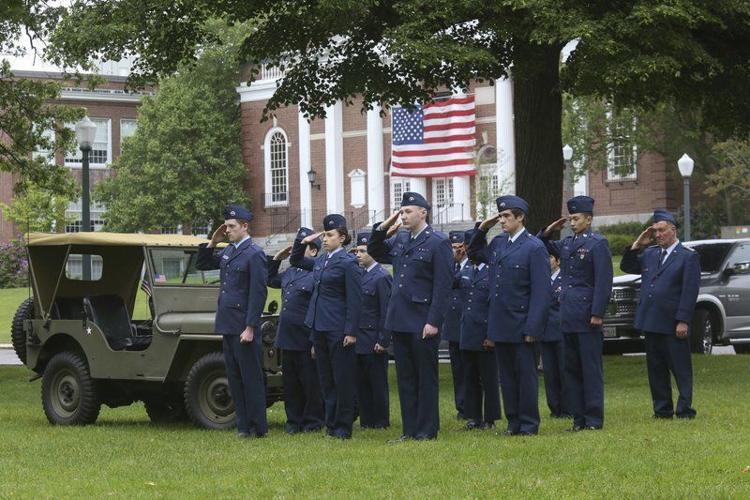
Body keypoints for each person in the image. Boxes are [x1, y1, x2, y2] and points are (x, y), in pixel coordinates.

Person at [367, 192, 453, 441]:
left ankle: (427, 430)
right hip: (401, 318)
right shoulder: (402, 240)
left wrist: (434, 321)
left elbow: (443, 286)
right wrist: (383, 227)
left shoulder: (438, 242)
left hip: (422, 320)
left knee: (425, 377)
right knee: (406, 378)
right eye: (401, 212)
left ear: (423, 213)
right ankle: (410, 429)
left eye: (407, 212)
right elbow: (375, 250)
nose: (403, 216)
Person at [467, 195, 550, 436]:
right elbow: (474, 251)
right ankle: (513, 422)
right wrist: (483, 229)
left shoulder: (534, 247)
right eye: (500, 216)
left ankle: (528, 423)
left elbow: (541, 292)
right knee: (507, 378)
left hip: (522, 323)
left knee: (525, 377)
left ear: (520, 217)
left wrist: (533, 328)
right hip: (501, 323)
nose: (501, 220)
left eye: (506, 216)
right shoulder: (499, 244)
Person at [539, 195, 613, 432]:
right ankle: (578, 417)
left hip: (587, 315)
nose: (572, 223)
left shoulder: (597, 244)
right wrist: (548, 231)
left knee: (590, 369)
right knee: (571, 370)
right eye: (570, 218)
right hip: (568, 315)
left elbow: (603, 281)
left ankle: (593, 418)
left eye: (576, 218)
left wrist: (597, 313)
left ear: (589, 219)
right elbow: (543, 244)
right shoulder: (568, 244)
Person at [196, 205, 268, 438]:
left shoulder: (254, 253)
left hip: (243, 326)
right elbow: (203, 264)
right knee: (234, 378)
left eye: (231, 226)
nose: (227, 230)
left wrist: (250, 327)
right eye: (226, 226)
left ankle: (258, 428)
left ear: (245, 226)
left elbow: (258, 294)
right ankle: (243, 426)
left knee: (251, 379)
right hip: (228, 324)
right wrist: (213, 242)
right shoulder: (229, 251)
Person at [621, 209, 700, 419]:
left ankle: (684, 409)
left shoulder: (687, 257)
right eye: (655, 231)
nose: (658, 235)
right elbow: (627, 266)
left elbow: (689, 292)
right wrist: (637, 245)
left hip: (673, 322)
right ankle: (662, 409)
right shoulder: (650, 254)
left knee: (680, 368)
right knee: (656, 369)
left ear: (673, 230)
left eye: (662, 230)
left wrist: (683, 320)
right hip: (651, 320)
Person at [290, 214, 362, 439]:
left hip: (338, 328)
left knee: (342, 380)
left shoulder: (348, 263)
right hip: (319, 326)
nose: (325, 239)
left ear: (342, 238)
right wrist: (302, 242)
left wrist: (351, 331)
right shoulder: (322, 260)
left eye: (330, 235)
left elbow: (355, 299)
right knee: (326, 379)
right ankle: (331, 425)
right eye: (324, 235)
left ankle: (343, 427)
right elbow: (296, 261)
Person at [267, 230, 325, 434]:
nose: (297, 250)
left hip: (305, 335)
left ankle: (312, 421)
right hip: (286, 335)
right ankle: (293, 420)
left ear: (314, 251)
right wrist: (276, 259)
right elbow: (270, 280)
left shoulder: (316, 273)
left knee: (310, 382)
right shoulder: (291, 272)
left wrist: (314, 339)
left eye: (303, 246)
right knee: (290, 383)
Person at [459, 227, 502, 431]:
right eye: (466, 246)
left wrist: (492, 334)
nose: (468, 250)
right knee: (469, 377)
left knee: (489, 378)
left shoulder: (491, 269)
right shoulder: (465, 269)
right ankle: (473, 416)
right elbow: (451, 283)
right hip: (468, 331)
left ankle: (490, 417)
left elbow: (494, 304)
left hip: (485, 332)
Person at [353, 232, 393, 429]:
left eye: (362, 251)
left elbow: (386, 310)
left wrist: (383, 340)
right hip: (359, 337)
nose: (358, 255)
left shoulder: (382, 277)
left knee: (377, 382)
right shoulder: (359, 274)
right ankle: (366, 419)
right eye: (356, 251)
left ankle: (381, 420)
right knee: (361, 382)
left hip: (373, 337)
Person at [539, 246, 570, 418]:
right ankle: (555, 407)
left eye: (550, 257)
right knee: (550, 372)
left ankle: (568, 407)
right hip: (545, 331)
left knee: (564, 370)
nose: (547, 261)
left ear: (557, 261)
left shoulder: (564, 279)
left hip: (561, 330)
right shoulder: (541, 280)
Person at [443, 230, 471, 420]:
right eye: (451, 248)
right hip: (453, 325)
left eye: (458, 247)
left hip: (468, 324)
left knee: (470, 369)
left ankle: (472, 406)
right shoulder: (449, 266)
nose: (455, 251)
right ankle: (461, 407)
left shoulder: (471, 266)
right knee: (457, 371)